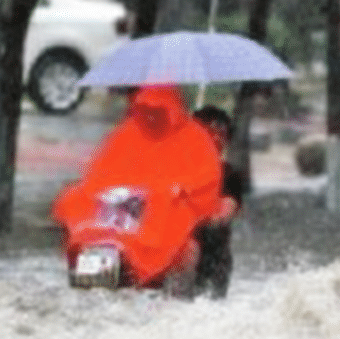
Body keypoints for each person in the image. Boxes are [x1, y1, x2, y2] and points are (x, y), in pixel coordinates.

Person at [52, 85, 223, 298]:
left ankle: (173, 310)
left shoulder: (195, 138)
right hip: (121, 219)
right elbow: (98, 176)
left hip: (166, 220)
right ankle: (91, 296)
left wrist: (174, 191)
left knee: (186, 249)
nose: (151, 117)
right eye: (146, 110)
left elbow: (205, 183)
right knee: (77, 204)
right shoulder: (125, 133)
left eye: (158, 111)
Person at [191, 105, 251, 299]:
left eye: (221, 134)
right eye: (208, 133)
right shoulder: (175, 173)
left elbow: (224, 214)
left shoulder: (229, 175)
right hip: (175, 257)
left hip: (214, 258)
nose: (215, 139)